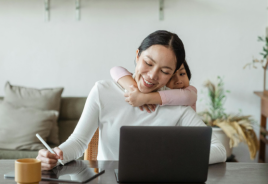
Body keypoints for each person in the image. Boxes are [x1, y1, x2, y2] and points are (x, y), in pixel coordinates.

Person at [36, 30, 226, 170]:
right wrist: (53, 155)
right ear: (137, 56)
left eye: (165, 71)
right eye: (148, 63)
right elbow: (78, 143)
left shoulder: (177, 106)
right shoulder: (103, 91)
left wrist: (176, 158)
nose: (152, 75)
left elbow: (219, 149)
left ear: (173, 74)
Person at [110, 60, 197, 113]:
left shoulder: (190, 91)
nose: (178, 81)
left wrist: (144, 98)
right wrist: (135, 90)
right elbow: (115, 70)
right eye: (171, 77)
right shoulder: (157, 88)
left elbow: (186, 96)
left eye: (182, 74)